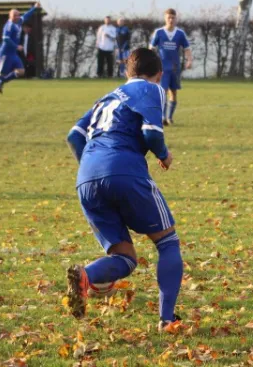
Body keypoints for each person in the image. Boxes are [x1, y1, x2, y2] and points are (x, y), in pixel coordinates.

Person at [65, 48, 184, 332]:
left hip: (86, 178)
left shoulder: (106, 98)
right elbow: (152, 132)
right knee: (167, 243)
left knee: (125, 258)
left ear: (126, 72)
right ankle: (167, 320)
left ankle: (85, 276)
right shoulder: (152, 89)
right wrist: (164, 155)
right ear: (159, 75)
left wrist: (95, 168)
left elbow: (73, 136)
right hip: (124, 169)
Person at [149, 8, 192, 126]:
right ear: (165, 18)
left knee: (173, 93)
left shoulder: (180, 33)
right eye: (169, 17)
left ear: (176, 19)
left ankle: (169, 117)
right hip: (162, 68)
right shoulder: (159, 32)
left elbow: (187, 48)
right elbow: (151, 48)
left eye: (173, 17)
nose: (171, 20)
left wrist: (189, 60)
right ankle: (162, 117)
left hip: (175, 67)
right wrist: (149, 61)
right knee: (163, 91)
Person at [0, 2, 41, 100]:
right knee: (0, 75)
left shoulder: (18, 22)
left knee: (21, 71)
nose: (17, 17)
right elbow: (6, 39)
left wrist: (34, 8)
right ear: (10, 16)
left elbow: (26, 15)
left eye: (18, 15)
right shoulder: (9, 26)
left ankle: (2, 82)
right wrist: (16, 46)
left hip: (13, 54)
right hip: (5, 54)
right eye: (14, 15)